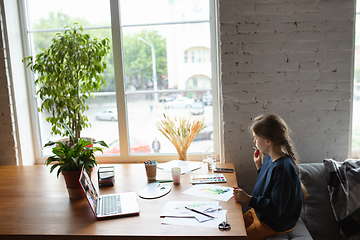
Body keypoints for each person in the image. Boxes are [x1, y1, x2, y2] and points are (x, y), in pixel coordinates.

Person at [233, 114, 308, 240]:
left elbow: (276, 208)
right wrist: (260, 167)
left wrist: (249, 200)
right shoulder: (270, 160)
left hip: (273, 222)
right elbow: (271, 185)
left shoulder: (284, 169)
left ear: (268, 141)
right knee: (231, 226)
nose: (254, 141)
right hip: (260, 213)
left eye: (256, 138)